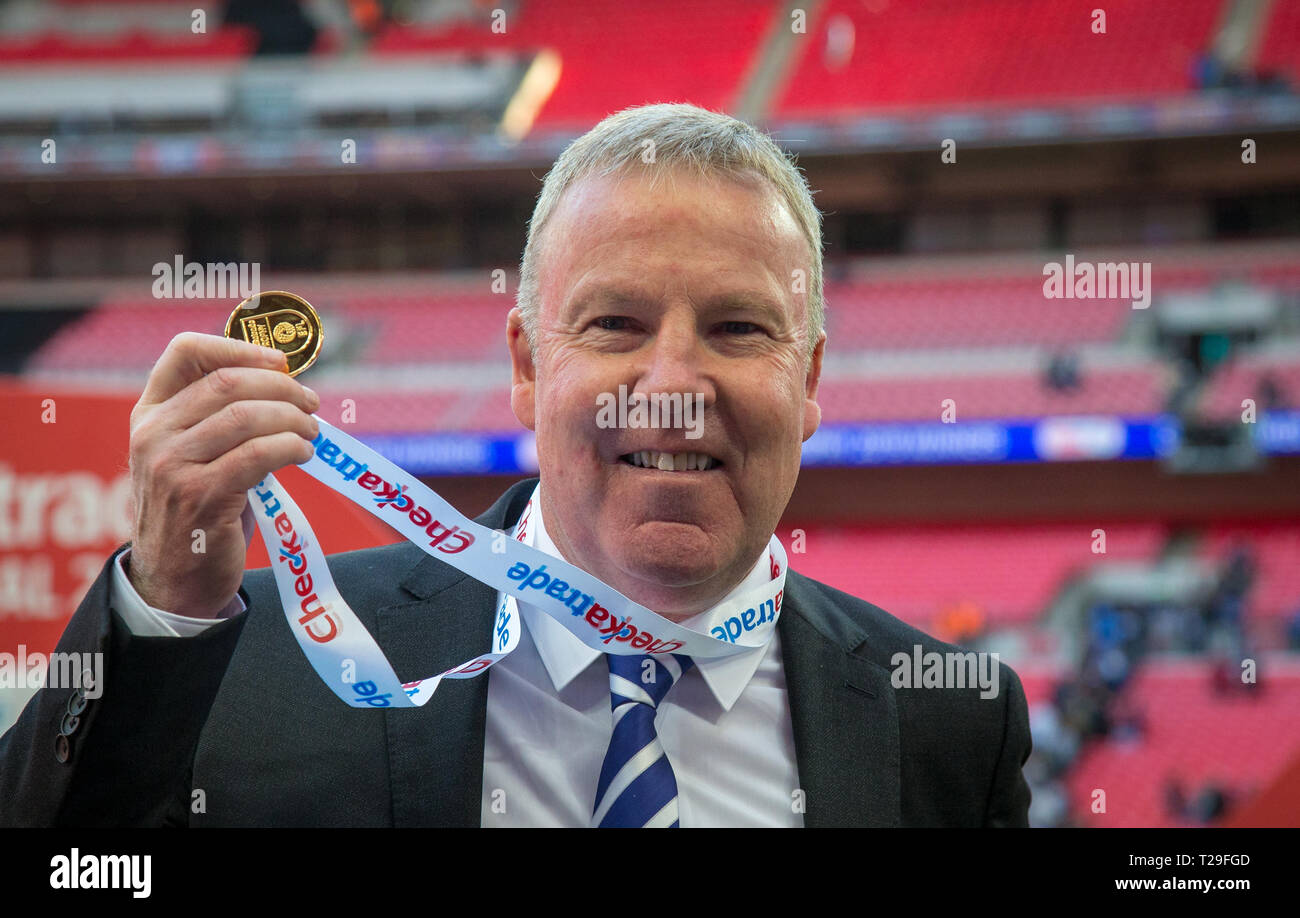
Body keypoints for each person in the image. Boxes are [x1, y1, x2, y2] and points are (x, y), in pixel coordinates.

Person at [0, 103, 1031, 827]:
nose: (673, 383)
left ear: (808, 380)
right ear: (529, 367)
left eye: (736, 328)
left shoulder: (947, 718)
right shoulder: (255, 659)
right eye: (616, 323)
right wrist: (167, 609)